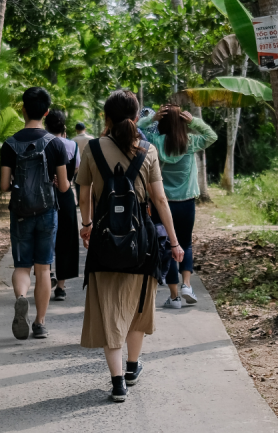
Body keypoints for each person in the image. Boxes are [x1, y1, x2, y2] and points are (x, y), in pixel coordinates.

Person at [77, 90, 184, 403]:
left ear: (107, 118)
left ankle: (116, 383)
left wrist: (86, 226)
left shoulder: (93, 149)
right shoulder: (147, 150)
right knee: (138, 306)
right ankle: (132, 367)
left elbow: (84, 197)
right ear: (137, 117)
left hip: (104, 240)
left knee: (110, 308)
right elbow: (160, 199)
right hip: (142, 242)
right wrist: (175, 243)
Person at [0, 87, 71, 340]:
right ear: (47, 112)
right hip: (47, 211)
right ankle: (40, 323)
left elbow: (4, 185)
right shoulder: (56, 144)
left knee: (22, 266)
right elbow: (63, 187)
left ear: (23, 108)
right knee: (43, 269)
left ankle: (21, 298)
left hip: (19, 213)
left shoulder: (9, 144)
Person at [138, 105, 217, 309]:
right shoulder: (189, 142)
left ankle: (174, 297)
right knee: (185, 243)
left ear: (161, 123)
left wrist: (151, 119)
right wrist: (194, 122)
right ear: (182, 123)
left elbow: (137, 130)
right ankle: (187, 286)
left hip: (161, 204)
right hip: (186, 203)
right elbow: (211, 135)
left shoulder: (154, 142)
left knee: (168, 246)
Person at [44, 109, 80, 302]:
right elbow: (75, 169)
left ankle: (47, 274)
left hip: (45, 196)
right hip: (65, 196)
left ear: (46, 126)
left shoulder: (43, 144)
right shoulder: (72, 145)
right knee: (66, 241)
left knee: (46, 238)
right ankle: (61, 287)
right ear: (63, 127)